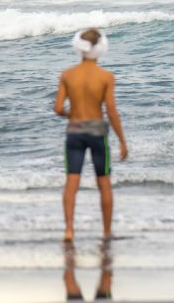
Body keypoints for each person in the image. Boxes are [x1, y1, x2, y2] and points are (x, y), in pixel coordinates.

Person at [54, 28, 128, 242]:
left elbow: (58, 108)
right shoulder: (106, 77)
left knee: (72, 181)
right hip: (97, 132)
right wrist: (122, 141)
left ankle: (69, 230)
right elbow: (111, 111)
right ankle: (106, 232)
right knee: (103, 182)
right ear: (101, 48)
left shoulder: (67, 74)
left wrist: (73, 114)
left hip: (75, 131)